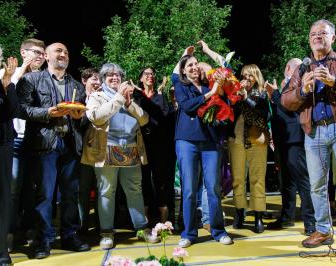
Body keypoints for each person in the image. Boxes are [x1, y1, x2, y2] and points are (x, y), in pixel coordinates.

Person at [281, 19, 336, 263]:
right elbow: (286, 100)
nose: (317, 36)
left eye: (323, 33)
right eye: (313, 34)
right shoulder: (302, 69)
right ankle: (323, 230)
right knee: (317, 186)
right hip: (315, 133)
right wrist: (302, 91)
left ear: (333, 38)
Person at [16, 42, 90, 259]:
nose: (63, 54)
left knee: (70, 194)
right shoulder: (32, 79)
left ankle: (69, 236)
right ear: (46, 56)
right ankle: (43, 240)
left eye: (66, 51)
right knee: (44, 195)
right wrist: (48, 112)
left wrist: (80, 116)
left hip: (69, 144)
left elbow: (83, 116)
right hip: (44, 145)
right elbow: (21, 109)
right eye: (58, 51)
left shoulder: (76, 84)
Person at [81, 63, 158, 250]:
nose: (115, 78)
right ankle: (106, 232)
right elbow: (97, 117)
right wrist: (118, 99)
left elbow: (144, 119)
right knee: (106, 191)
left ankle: (141, 228)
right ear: (103, 78)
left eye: (118, 75)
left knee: (134, 190)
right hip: (106, 148)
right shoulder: (97, 96)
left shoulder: (130, 97)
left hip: (130, 148)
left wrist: (129, 103)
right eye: (110, 75)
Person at [174, 50, 233, 248]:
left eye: (196, 63)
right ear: (183, 71)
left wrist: (219, 87)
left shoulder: (211, 82)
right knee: (189, 189)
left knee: (214, 188)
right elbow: (188, 106)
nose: (194, 66)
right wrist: (210, 93)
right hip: (187, 141)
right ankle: (189, 233)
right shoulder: (181, 86)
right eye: (189, 64)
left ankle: (218, 230)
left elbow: (227, 77)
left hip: (211, 141)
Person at [0, 38, 46, 251]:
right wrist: (22, 68)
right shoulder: (9, 73)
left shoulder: (44, 78)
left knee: (32, 188)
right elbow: (7, 91)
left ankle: (28, 230)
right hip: (14, 139)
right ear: (22, 52)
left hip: (36, 140)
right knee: (12, 188)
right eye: (35, 52)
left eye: (42, 53)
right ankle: (7, 233)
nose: (39, 56)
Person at [265, 58, 316, 236]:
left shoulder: (302, 84)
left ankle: (311, 222)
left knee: (303, 181)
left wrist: (275, 94)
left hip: (295, 139)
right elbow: (279, 111)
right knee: (286, 182)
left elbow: (290, 107)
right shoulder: (286, 86)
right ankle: (286, 217)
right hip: (281, 140)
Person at [228, 64, 270, 233]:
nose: (246, 79)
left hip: (257, 140)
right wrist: (236, 98)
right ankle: (239, 213)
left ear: (256, 76)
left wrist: (246, 98)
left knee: (257, 178)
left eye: (249, 76)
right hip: (236, 139)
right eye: (243, 76)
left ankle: (258, 216)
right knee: (238, 179)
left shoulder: (262, 94)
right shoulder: (235, 93)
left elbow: (263, 116)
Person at [133, 67, 176, 224]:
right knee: (143, 180)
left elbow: (165, 118)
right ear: (141, 79)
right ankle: (145, 219)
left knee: (161, 181)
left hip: (159, 145)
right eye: (146, 74)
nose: (150, 76)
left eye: (152, 73)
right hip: (141, 145)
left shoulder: (160, 97)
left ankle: (164, 220)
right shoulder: (136, 98)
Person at [0, 53, 18, 266]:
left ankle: (1, 251)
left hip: (2, 145)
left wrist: (7, 86)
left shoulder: (3, 83)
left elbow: (15, 111)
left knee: (2, 199)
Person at [78, 68, 101, 233]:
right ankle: (82, 224)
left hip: (100, 150)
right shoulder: (76, 98)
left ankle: (102, 223)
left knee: (102, 187)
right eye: (94, 79)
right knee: (83, 189)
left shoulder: (104, 98)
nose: (97, 83)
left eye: (99, 79)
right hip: (81, 151)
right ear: (84, 81)